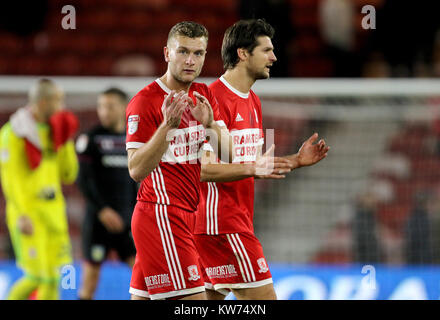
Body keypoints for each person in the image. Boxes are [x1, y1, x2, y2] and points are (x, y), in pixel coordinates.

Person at [193, 19, 330, 300]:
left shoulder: (253, 100)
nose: (274, 57)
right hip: (220, 224)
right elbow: (201, 169)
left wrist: (293, 161)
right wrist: (253, 167)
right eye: (266, 50)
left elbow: (253, 165)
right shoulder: (211, 99)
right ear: (243, 53)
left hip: (230, 222)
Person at [125, 21, 254, 300]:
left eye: (198, 53)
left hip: (187, 215)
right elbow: (135, 169)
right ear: (166, 53)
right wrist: (166, 127)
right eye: (183, 51)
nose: (190, 60)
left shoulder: (203, 94)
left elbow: (230, 155)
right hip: (161, 214)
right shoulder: (145, 101)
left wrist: (211, 125)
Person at [0, 78, 79, 300]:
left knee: (57, 277)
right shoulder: (13, 134)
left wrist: (65, 140)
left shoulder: (55, 131)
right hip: (29, 215)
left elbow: (69, 174)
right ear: (43, 102)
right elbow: (11, 180)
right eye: (58, 100)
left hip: (54, 214)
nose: (62, 106)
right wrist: (23, 215)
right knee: (38, 277)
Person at [76, 87, 138, 300]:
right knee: (90, 281)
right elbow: (83, 180)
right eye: (101, 106)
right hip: (98, 222)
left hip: (128, 221)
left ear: (124, 108)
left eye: (110, 106)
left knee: (144, 277)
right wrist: (102, 210)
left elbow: (136, 182)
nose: (104, 111)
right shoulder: (90, 138)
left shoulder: (134, 139)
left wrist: (133, 215)